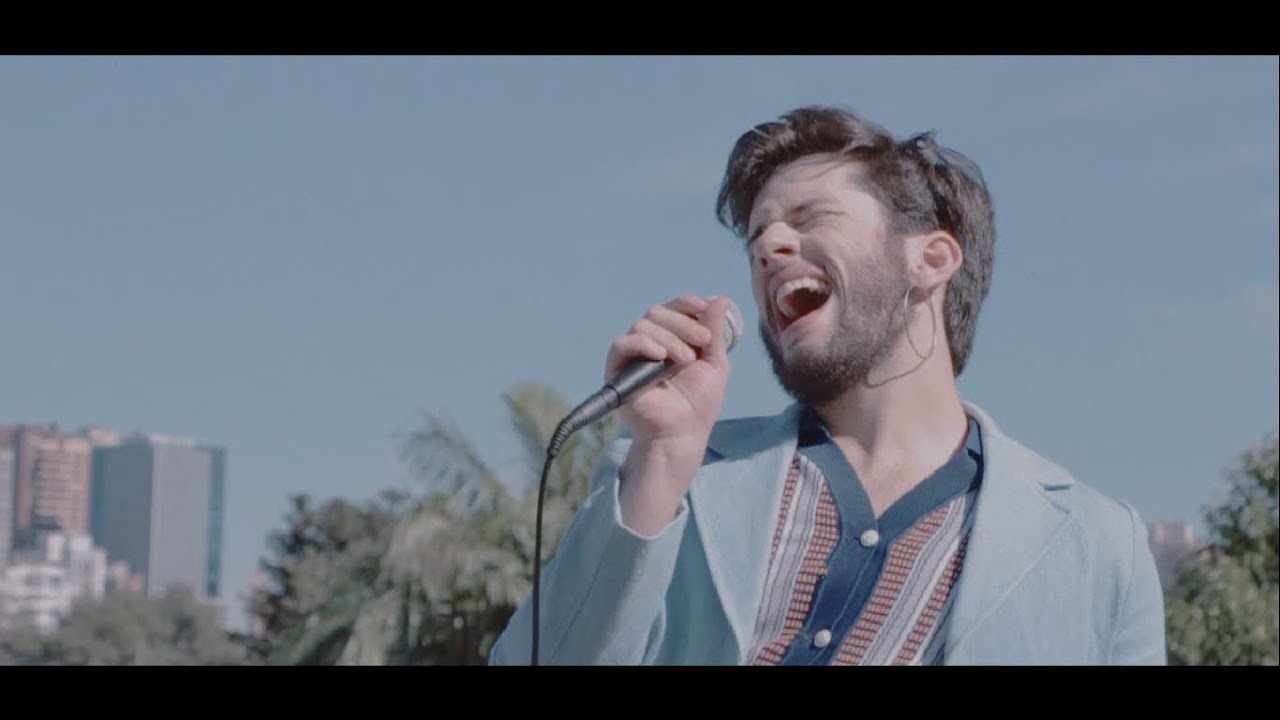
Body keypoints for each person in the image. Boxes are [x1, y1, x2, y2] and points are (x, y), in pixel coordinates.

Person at [488, 105, 1166, 665]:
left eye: (809, 218)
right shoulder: (670, 479)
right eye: (757, 237)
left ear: (931, 259)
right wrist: (662, 461)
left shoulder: (1101, 547)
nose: (768, 247)